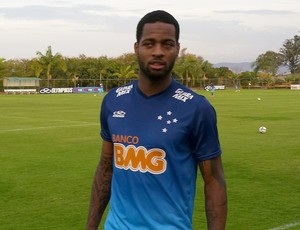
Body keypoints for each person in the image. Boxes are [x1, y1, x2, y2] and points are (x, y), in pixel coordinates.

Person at [86, 10, 227, 230]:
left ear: (177, 49)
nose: (158, 52)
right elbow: (106, 168)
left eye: (167, 44)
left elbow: (214, 182)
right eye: (149, 44)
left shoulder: (196, 108)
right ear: (137, 48)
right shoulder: (113, 101)